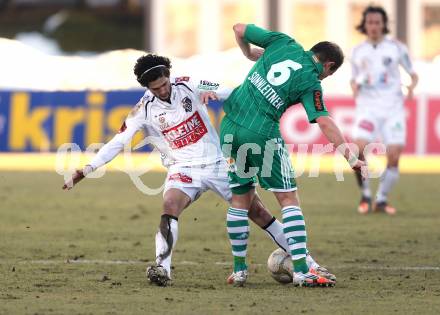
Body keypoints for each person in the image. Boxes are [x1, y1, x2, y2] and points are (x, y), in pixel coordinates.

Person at [62, 53, 334, 287]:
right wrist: (88, 167)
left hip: (218, 163)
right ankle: (162, 268)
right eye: (155, 88)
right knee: (169, 204)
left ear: (169, 76)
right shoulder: (143, 109)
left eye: (164, 84)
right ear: (147, 87)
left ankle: (309, 262)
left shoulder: (189, 84)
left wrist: (216, 93)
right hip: (183, 169)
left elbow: (232, 91)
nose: (163, 91)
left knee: (260, 214)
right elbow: (118, 141)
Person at [219, 23, 366, 287]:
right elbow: (324, 121)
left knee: (240, 198)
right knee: (287, 198)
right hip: (261, 133)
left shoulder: (282, 42)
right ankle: (302, 270)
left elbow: (239, 27)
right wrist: (351, 157)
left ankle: (239, 271)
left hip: (229, 126)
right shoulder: (311, 80)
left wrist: (248, 53)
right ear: (328, 66)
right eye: (328, 74)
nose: (324, 78)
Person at [350, 6, 418, 215]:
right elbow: (353, 80)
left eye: (377, 22)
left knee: (395, 155)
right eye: (370, 22)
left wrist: (411, 88)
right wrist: (354, 87)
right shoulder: (357, 51)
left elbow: (413, 74)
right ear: (365, 24)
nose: (373, 26)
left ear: (384, 24)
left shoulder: (396, 48)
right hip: (368, 108)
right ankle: (366, 195)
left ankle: (381, 199)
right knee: (358, 148)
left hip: (393, 109)